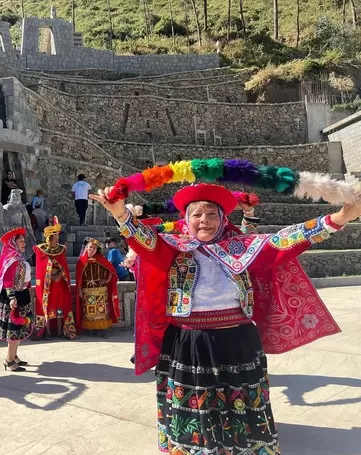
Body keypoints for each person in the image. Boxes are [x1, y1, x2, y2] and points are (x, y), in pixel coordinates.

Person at [92, 182, 359, 454]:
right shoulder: (172, 248)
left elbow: (287, 239)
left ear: (223, 220)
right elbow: (143, 239)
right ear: (186, 220)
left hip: (237, 338)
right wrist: (120, 214)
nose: (204, 220)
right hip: (188, 340)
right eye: (196, 214)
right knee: (195, 402)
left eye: (211, 214)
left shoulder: (243, 247)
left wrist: (340, 217)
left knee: (241, 400)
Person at [0, 227, 34, 372]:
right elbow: (7, 280)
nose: (24, 244)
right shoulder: (12, 258)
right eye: (21, 241)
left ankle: (14, 356)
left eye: (24, 241)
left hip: (22, 295)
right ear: (13, 243)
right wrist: (12, 298)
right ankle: (8, 361)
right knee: (14, 329)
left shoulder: (18, 256)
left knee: (20, 327)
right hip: (13, 297)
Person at [32, 217, 76, 340]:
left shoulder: (61, 249)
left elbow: (64, 266)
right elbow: (42, 267)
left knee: (60, 308)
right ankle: (47, 331)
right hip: (48, 284)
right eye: (54, 237)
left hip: (59, 284)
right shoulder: (41, 250)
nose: (57, 239)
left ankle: (62, 330)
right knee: (47, 307)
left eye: (57, 237)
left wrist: (60, 275)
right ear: (49, 238)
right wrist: (51, 275)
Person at [75, 237, 120, 338]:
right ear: (86, 248)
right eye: (90, 247)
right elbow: (79, 278)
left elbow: (111, 269)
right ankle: (93, 329)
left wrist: (107, 279)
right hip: (87, 290)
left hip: (101, 290)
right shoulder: (81, 261)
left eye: (94, 248)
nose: (92, 249)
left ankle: (102, 330)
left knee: (102, 311)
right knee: (90, 311)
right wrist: (79, 289)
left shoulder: (101, 259)